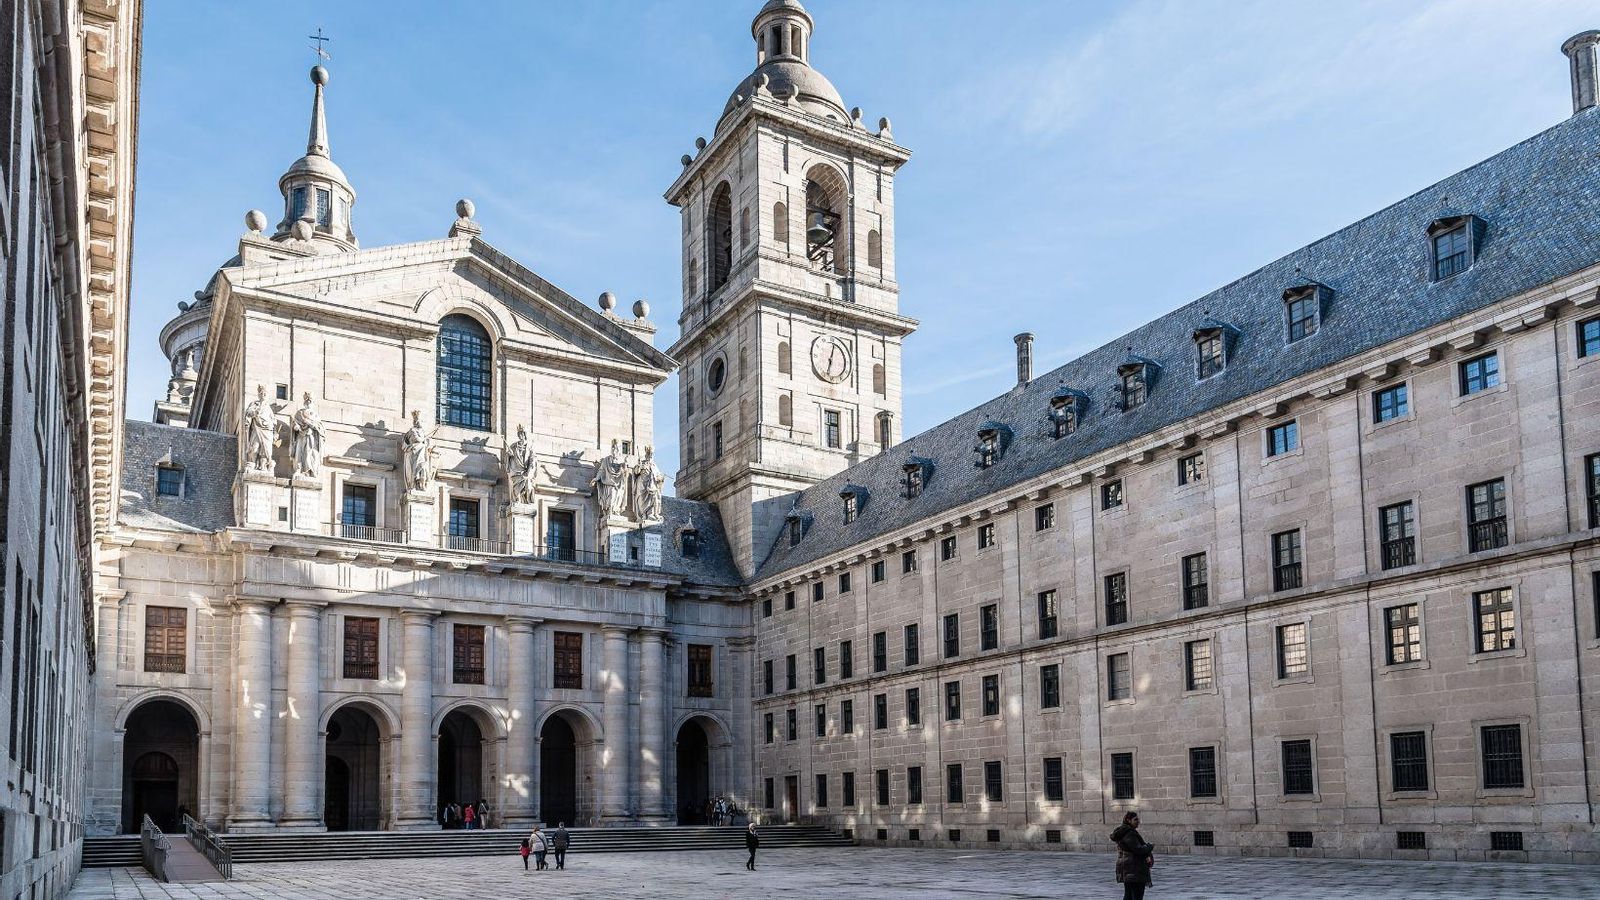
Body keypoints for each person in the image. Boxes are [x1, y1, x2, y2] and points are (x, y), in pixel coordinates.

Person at [1111, 811, 1154, 900]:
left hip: (1127, 868)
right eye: (1135, 819)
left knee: (1129, 895)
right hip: (1134, 869)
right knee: (1136, 895)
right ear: (1128, 820)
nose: (1138, 821)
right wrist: (1149, 847)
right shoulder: (1129, 833)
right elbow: (1138, 849)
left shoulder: (1123, 832)